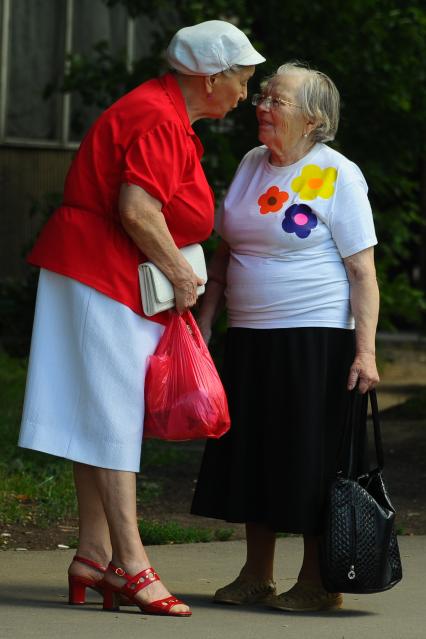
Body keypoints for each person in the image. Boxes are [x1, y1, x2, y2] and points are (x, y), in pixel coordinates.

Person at [18, 20, 265, 617]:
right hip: (103, 271)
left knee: (100, 411)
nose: (246, 91)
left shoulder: (163, 111)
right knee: (112, 414)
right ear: (211, 77)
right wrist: (180, 274)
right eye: (243, 77)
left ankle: (93, 556)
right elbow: (136, 208)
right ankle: (132, 565)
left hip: (99, 271)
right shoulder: (158, 116)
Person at [191, 61, 380, 612]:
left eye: (278, 100)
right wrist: (206, 321)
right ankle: (257, 574)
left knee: (308, 458)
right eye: (263, 96)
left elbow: (363, 271)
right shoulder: (253, 163)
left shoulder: (339, 173)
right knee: (255, 452)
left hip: (315, 339)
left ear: (314, 119)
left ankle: (320, 582)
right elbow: (226, 252)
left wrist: (365, 352)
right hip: (250, 335)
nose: (263, 106)